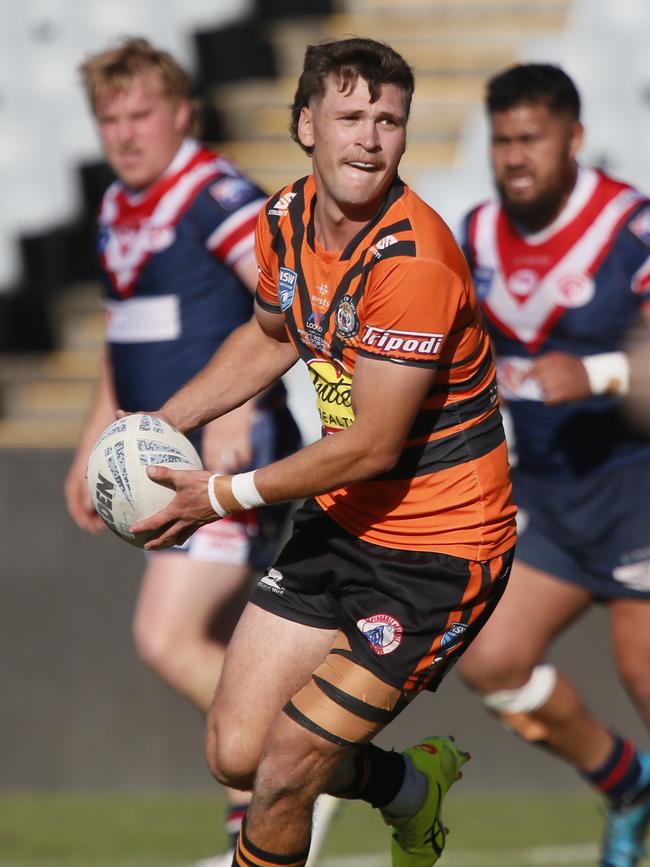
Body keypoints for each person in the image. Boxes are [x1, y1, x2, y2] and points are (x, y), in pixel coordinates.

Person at [128, 37, 517, 867]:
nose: (370, 138)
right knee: (235, 751)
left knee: (280, 772)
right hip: (343, 523)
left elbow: (370, 445)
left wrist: (221, 493)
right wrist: (159, 421)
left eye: (388, 120)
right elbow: (271, 335)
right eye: (350, 117)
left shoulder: (413, 258)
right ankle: (411, 788)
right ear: (306, 124)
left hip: (438, 551)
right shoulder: (284, 218)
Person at [63, 38, 303, 866]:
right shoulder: (116, 208)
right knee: (238, 653)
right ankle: (259, 821)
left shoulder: (213, 192)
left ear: (183, 114)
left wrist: (239, 407)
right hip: (161, 462)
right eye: (110, 118)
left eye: (141, 114)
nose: (126, 134)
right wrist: (88, 446)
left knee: (164, 636)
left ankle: (309, 771)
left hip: (227, 458)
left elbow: (285, 292)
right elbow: (117, 337)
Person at [457, 63, 650, 867]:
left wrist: (602, 374)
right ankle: (628, 784)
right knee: (489, 657)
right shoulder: (472, 235)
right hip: (545, 500)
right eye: (502, 140)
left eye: (531, 138)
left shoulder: (629, 226)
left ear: (573, 137)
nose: (514, 157)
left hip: (637, 494)